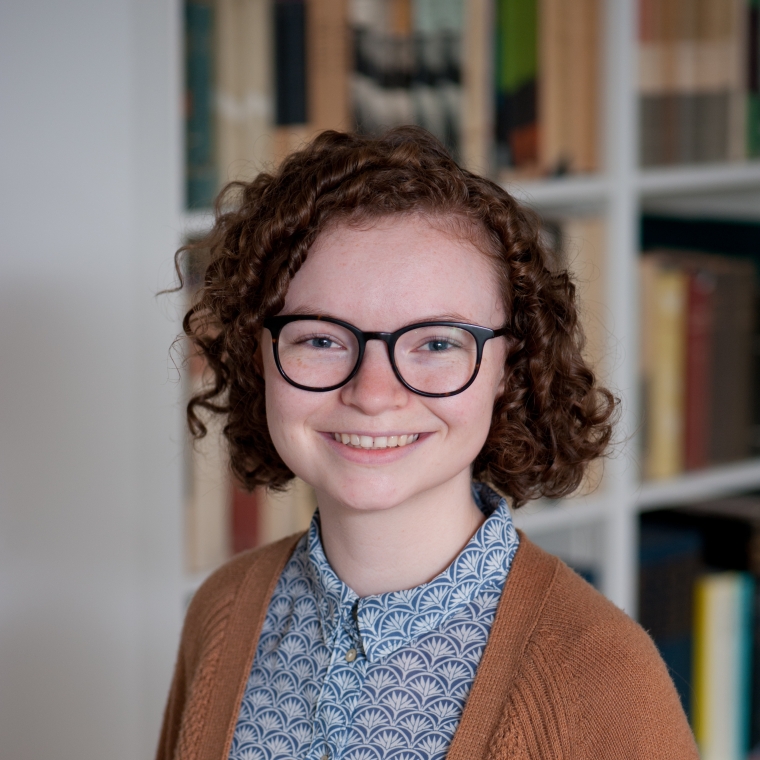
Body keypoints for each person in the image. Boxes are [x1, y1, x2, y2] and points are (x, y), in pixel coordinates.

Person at [157, 127, 698, 760]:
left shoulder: (605, 677)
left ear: (508, 368)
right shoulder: (221, 614)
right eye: (321, 339)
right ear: (262, 356)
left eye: (437, 343)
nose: (374, 392)